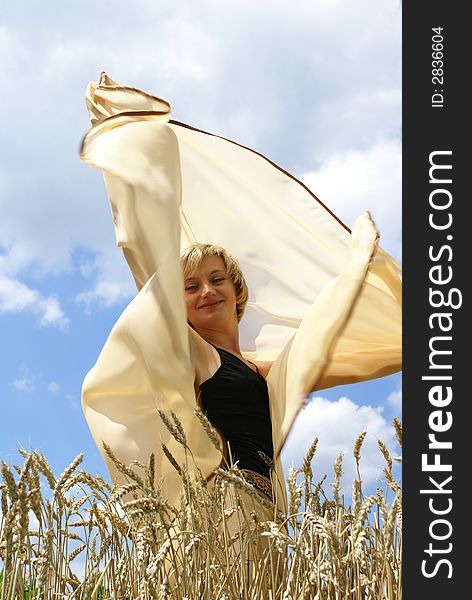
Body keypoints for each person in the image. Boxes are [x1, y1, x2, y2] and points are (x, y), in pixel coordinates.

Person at [80, 72, 402, 520]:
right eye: (189, 287)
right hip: (222, 509)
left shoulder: (261, 367)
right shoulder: (193, 352)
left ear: (237, 291)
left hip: (270, 510)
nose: (206, 291)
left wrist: (359, 264)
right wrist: (132, 148)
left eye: (216, 280)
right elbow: (147, 263)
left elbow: (327, 346)